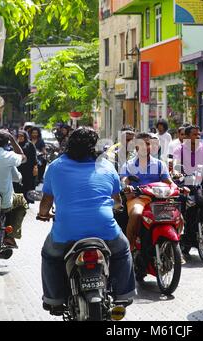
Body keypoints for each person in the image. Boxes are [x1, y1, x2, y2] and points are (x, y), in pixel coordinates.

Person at [38, 127, 135, 313]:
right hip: (105, 230)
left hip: (65, 232)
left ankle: (54, 299)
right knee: (122, 251)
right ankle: (124, 294)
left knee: (50, 256)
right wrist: (116, 208)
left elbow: (46, 202)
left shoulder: (55, 166)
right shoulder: (106, 166)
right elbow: (117, 201)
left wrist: (43, 214)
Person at [120, 132, 175, 251]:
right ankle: (129, 247)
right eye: (142, 144)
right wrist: (126, 186)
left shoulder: (160, 164)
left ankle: (175, 247)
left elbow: (169, 182)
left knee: (177, 215)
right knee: (136, 214)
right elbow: (123, 180)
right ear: (136, 147)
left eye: (148, 144)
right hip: (138, 198)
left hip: (158, 199)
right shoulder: (128, 165)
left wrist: (178, 188)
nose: (146, 147)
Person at [0, 130, 28, 248]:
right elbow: (23, 158)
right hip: (4, 202)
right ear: (7, 143)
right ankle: (10, 236)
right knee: (21, 201)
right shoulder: (8, 156)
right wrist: (12, 138)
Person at [13, 130, 38, 204]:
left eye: (22, 136)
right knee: (17, 185)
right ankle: (18, 201)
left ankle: (27, 201)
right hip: (18, 168)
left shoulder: (30, 145)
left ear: (25, 136)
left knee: (28, 185)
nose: (20, 137)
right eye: (19, 136)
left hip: (28, 169)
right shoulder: (15, 145)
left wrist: (35, 167)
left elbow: (34, 157)